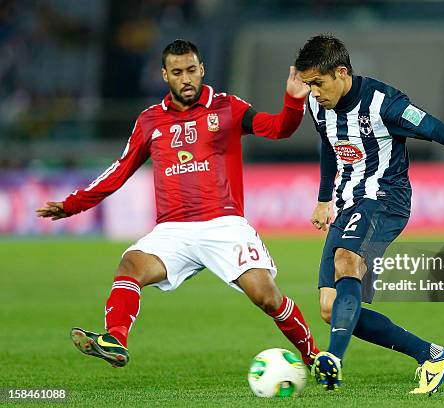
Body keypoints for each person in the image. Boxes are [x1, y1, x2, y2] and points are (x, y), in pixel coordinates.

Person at [36, 39, 320, 368]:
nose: (185, 78)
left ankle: (312, 354)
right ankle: (115, 338)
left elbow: (279, 129)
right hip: (173, 230)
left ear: (202, 70)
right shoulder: (150, 120)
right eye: (177, 72)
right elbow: (120, 169)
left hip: (224, 224)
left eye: (191, 70)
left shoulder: (227, 107)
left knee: (266, 296)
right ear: (164, 75)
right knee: (131, 265)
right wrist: (73, 205)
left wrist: (294, 101)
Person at [295, 34, 444, 394]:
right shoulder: (317, 106)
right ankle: (433, 355)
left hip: (386, 199)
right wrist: (323, 199)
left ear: (341, 72)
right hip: (349, 202)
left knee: (347, 261)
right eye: (308, 85)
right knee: (330, 307)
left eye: (318, 83)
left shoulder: (385, 104)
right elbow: (328, 144)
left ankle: (333, 358)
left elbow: (437, 129)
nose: (314, 93)